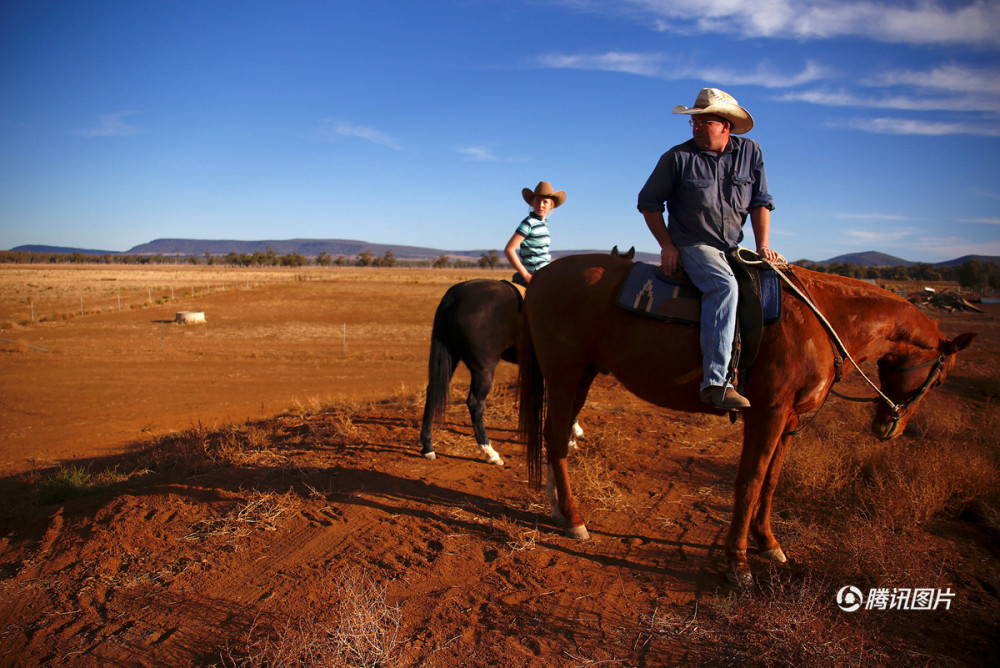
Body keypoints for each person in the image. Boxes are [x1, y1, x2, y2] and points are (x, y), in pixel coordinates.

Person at [637, 88, 778, 411]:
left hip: (733, 246)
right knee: (723, 286)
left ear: (725, 125)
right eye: (694, 122)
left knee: (775, 285)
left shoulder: (750, 153)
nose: (697, 127)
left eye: (705, 121)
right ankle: (716, 382)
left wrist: (764, 247)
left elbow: (760, 202)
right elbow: (648, 203)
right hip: (694, 243)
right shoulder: (677, 158)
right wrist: (668, 245)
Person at [504, 181, 566, 287]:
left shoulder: (542, 224)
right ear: (532, 203)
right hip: (534, 275)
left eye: (545, 202)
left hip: (545, 272)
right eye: (538, 201)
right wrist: (526, 275)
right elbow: (509, 249)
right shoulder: (528, 223)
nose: (541, 205)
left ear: (551, 205)